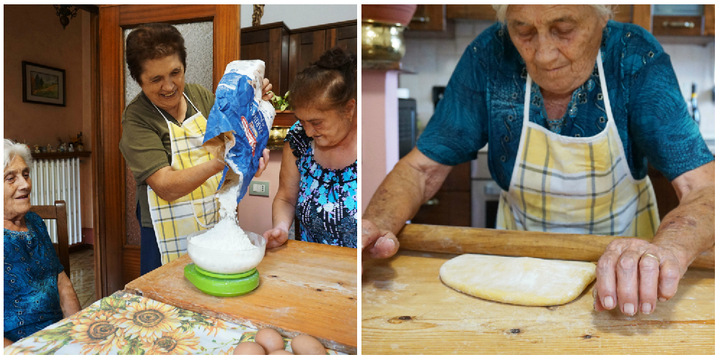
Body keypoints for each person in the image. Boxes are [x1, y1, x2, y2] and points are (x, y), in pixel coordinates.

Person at [362, 5, 714, 317]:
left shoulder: (634, 58)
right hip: (518, 261)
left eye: (564, 30)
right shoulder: (488, 56)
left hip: (627, 268)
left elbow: (705, 187)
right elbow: (420, 170)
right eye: (523, 31)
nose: (543, 55)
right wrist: (375, 224)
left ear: (603, 16)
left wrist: (665, 252)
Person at [120, 23, 272, 274]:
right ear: (139, 80)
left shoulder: (199, 96)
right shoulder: (137, 118)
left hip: (213, 217)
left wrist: (254, 110)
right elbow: (165, 186)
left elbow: (233, 140)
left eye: (175, 73)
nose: (169, 86)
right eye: (156, 79)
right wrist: (224, 161)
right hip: (163, 231)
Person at [263, 47, 357, 248]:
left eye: (316, 122)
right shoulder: (298, 138)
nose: (307, 131)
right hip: (311, 266)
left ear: (349, 109)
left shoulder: (371, 141)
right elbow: (286, 197)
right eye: (302, 121)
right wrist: (280, 228)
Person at [4, 140, 81, 346]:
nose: (25, 184)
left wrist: (76, 329)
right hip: (19, 346)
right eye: (11, 178)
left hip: (58, 334)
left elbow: (60, 279)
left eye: (26, 174)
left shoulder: (35, 222)